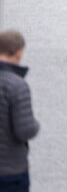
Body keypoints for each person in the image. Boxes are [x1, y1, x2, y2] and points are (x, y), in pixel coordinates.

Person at [0, 30, 39, 191]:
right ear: (19, 52)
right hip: (10, 168)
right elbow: (25, 130)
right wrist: (36, 125)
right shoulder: (17, 85)